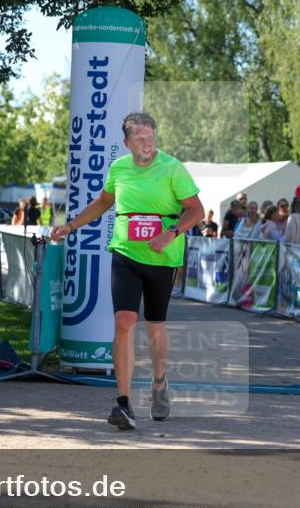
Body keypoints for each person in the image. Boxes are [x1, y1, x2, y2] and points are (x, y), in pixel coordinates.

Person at [50, 112, 204, 431]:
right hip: (125, 253)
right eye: (139, 139)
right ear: (127, 142)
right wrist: (71, 225)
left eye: (150, 137)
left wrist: (171, 233)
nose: (146, 144)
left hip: (162, 258)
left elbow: (196, 210)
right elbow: (103, 202)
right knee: (124, 323)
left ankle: (159, 382)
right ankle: (123, 403)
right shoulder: (119, 168)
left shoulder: (173, 168)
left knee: (155, 328)